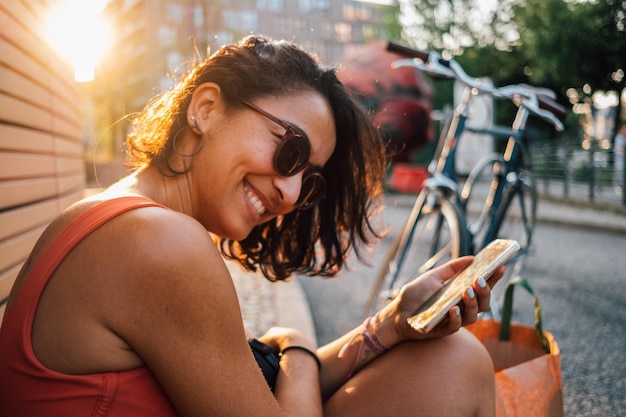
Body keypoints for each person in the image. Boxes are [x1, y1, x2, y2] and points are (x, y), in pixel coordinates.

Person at [0, 36, 501, 416]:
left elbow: (253, 384)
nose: (289, 193)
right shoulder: (156, 241)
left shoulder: (120, 217)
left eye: (309, 182)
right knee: (458, 364)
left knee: (452, 356)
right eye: (291, 151)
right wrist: (295, 345)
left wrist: (389, 325)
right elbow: (281, 379)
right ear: (206, 109)